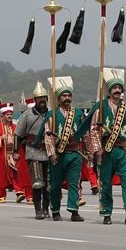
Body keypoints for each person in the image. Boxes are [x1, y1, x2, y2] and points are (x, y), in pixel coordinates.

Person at [81, 70, 126, 225]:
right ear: (109, 90)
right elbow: (94, 128)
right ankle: (106, 213)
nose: (117, 90)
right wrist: (97, 149)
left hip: (122, 149)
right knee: (106, 182)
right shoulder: (100, 107)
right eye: (114, 87)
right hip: (106, 150)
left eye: (119, 87)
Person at [42, 78, 87, 221]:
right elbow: (48, 136)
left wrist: (90, 151)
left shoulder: (78, 114)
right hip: (59, 154)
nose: (67, 98)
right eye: (64, 96)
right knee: (55, 184)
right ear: (59, 98)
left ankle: (74, 211)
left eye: (69, 96)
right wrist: (51, 153)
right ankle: (55, 210)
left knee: (74, 183)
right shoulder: (52, 115)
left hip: (75, 153)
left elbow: (84, 134)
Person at [15, 90, 51, 220]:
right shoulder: (27, 115)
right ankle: (38, 209)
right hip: (33, 151)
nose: (42, 100)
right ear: (35, 100)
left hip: (49, 151)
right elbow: (18, 135)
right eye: (39, 98)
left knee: (49, 183)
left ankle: (47, 208)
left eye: (43, 98)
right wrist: (15, 151)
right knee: (37, 183)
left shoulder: (51, 113)